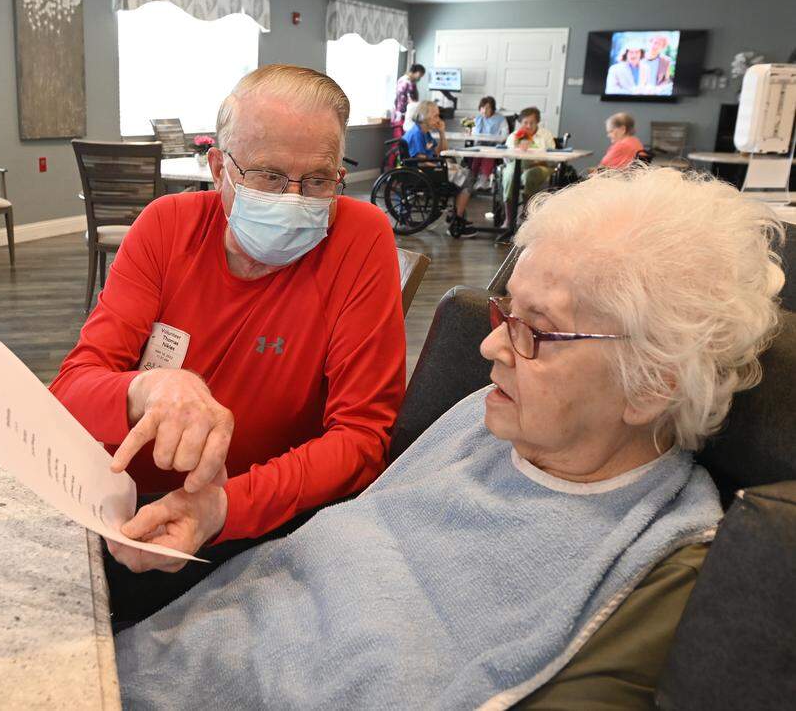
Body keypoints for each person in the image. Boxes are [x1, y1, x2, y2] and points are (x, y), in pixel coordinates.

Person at [115, 167, 785, 708]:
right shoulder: (482, 417)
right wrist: (217, 509)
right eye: (506, 310)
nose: (492, 343)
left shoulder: (653, 562)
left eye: (536, 331)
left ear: (651, 386)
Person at [50, 65, 406, 620]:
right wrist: (146, 388)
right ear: (218, 167)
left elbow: (362, 438)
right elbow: (71, 390)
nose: (294, 199)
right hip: (120, 504)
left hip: (260, 521)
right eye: (267, 175)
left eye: (317, 181)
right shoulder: (167, 226)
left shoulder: (361, 238)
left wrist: (223, 507)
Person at [401, 101, 478, 236]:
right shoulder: (416, 134)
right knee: (468, 178)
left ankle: (455, 216)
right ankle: (457, 221)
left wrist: (442, 132)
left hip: (431, 168)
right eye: (435, 116)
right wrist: (443, 167)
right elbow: (422, 162)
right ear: (425, 116)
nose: (438, 119)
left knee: (466, 173)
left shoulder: (425, 133)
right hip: (422, 172)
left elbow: (441, 152)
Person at [502, 106, 557, 209]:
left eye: (532, 123)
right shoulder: (514, 136)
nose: (528, 126)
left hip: (541, 166)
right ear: (520, 123)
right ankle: (508, 219)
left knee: (529, 175)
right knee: (509, 174)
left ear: (537, 122)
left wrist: (537, 161)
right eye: (525, 122)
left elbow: (553, 158)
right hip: (516, 166)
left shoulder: (546, 135)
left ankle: (527, 213)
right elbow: (507, 159)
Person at [468, 95, 508, 189]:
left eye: (487, 108)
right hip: (479, 145)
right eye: (482, 108)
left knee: (487, 153)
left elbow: (505, 135)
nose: (484, 110)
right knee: (476, 153)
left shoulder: (500, 119)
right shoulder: (477, 119)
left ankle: (483, 179)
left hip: (494, 145)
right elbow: (474, 133)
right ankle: (471, 178)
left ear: (493, 108)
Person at [390, 64, 425, 165]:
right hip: (404, 117)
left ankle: (394, 168)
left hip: (397, 117)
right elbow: (412, 101)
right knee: (403, 144)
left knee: (397, 144)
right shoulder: (409, 83)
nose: (420, 77)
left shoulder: (401, 80)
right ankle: (401, 169)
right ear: (416, 72)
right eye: (421, 75)